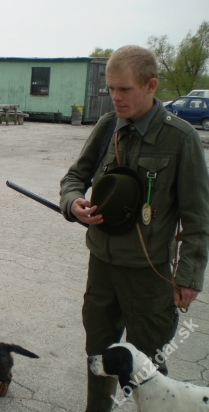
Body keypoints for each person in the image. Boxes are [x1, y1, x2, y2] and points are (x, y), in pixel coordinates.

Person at [59, 45, 209, 411]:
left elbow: (198, 216)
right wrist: (72, 202)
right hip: (103, 269)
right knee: (99, 355)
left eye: (123, 89)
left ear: (151, 85)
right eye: (110, 88)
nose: (115, 97)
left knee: (149, 364)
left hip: (149, 276)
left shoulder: (180, 138)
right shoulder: (107, 126)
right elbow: (74, 177)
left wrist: (188, 276)